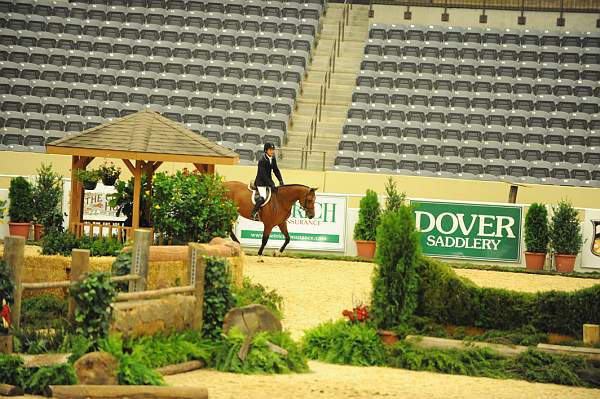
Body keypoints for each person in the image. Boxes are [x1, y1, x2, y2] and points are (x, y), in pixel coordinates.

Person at [253, 143, 284, 221]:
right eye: (270, 150)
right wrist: (271, 184)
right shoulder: (262, 160)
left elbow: (276, 170)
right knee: (263, 197)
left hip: (268, 181)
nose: (272, 151)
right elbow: (263, 175)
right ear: (266, 150)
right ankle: (254, 213)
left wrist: (280, 180)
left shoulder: (273, 158)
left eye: (273, 150)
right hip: (261, 182)